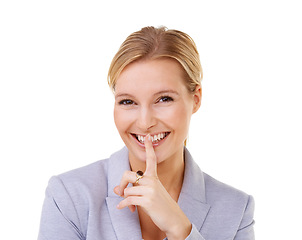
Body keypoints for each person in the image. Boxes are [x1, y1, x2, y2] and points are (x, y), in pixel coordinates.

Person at [38, 26, 255, 240]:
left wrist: (180, 229)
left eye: (164, 99)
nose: (144, 122)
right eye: (128, 101)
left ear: (196, 99)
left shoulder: (236, 210)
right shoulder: (69, 196)